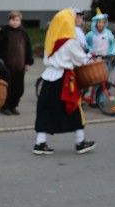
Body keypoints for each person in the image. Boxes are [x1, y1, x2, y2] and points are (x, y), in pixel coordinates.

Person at [33, 9, 95, 155]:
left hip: (48, 77)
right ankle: (80, 141)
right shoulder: (70, 42)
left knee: (45, 109)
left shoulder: (51, 40)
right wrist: (89, 57)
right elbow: (80, 59)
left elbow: (46, 59)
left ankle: (40, 142)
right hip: (64, 79)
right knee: (73, 107)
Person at [0, 10, 33, 115]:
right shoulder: (3, 32)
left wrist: (28, 62)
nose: (15, 22)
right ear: (9, 20)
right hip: (6, 66)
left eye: (17, 20)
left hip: (19, 66)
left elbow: (28, 48)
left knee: (18, 88)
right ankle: (5, 106)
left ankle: (13, 105)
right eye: (13, 20)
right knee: (7, 87)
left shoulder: (23, 33)